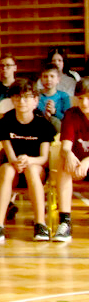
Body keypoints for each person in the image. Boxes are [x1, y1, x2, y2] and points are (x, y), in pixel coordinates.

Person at [0, 79, 57, 245]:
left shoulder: (43, 124)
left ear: (35, 100)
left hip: (36, 169)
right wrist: (16, 162)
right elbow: (10, 155)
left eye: (27, 97)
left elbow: (44, 158)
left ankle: (40, 224)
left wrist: (29, 160)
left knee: (31, 169)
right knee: (6, 169)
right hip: (14, 169)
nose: (22, 101)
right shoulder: (5, 122)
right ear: (12, 99)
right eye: (17, 97)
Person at [53, 77, 89, 242]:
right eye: (80, 98)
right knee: (62, 163)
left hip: (86, 163)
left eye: (88, 98)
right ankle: (65, 221)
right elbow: (65, 146)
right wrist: (68, 153)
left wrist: (87, 161)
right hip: (76, 165)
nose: (84, 103)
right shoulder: (71, 114)